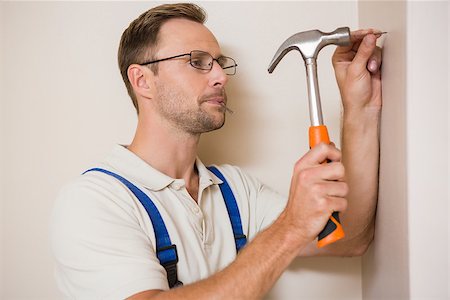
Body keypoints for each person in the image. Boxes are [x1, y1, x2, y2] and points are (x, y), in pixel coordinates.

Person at [51, 3, 383, 299]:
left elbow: (349, 238)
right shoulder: (94, 200)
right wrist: (290, 228)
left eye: (220, 63)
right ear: (142, 80)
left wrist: (360, 108)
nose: (222, 77)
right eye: (198, 62)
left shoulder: (236, 191)